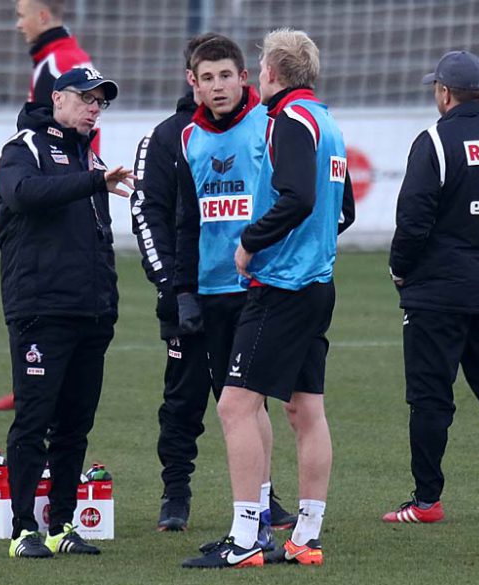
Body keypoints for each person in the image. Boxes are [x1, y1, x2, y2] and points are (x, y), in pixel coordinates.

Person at [182, 28, 355, 569]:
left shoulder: (289, 121)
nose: (258, 75)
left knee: (235, 405)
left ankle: (246, 537)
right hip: (316, 284)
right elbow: (343, 208)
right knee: (306, 409)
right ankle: (304, 535)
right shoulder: (326, 121)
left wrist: (252, 241)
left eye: (259, 68)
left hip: (282, 286)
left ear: (273, 73)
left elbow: (298, 197)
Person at [132, 33, 297, 534]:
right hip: (189, 292)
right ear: (193, 81)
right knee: (183, 400)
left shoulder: (269, 126)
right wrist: (171, 287)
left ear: (243, 77)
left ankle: (262, 503)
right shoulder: (170, 138)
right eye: (208, 77)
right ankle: (175, 496)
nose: (218, 85)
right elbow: (156, 216)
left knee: (249, 399)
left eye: (226, 74)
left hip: (252, 291)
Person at [381, 51, 479, 524]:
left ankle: (426, 502)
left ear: (445, 93)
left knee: (431, 398)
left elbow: (412, 219)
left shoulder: (433, 141)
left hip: (436, 296)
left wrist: (399, 269)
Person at [0, 67, 134, 559]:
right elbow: (22, 195)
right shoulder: (24, 147)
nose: (94, 107)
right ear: (57, 99)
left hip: (90, 315)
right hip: (41, 311)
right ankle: (22, 530)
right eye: (85, 98)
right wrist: (91, 179)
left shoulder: (88, 156)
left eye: (101, 102)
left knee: (75, 425)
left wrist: (108, 304)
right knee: (34, 420)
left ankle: (62, 524)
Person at [0, 0, 98, 412]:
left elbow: (66, 133)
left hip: (64, 189)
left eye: (22, 14)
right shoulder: (60, 56)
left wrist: (79, 177)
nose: (18, 23)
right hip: (70, 183)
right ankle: (31, 379)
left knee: (39, 279)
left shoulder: (57, 62)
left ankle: (33, 379)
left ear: (42, 15)